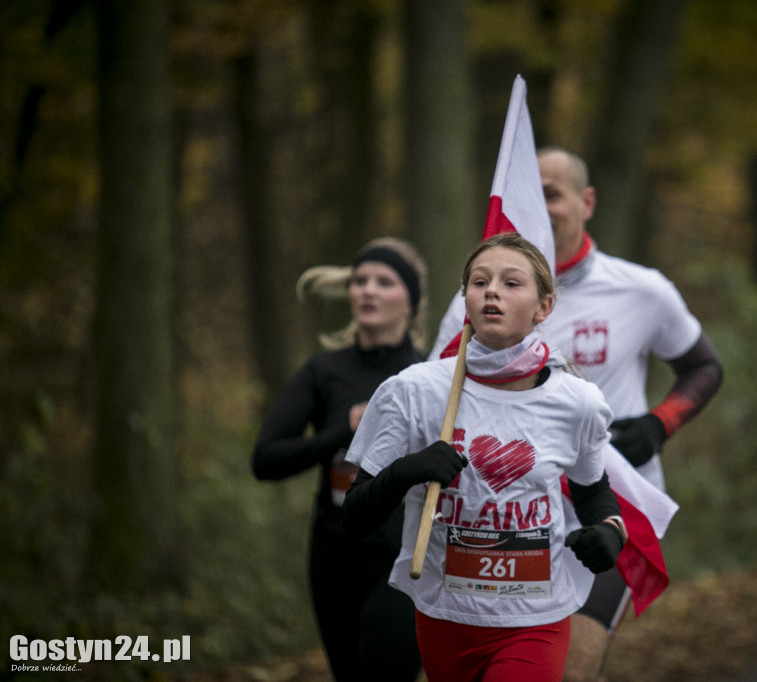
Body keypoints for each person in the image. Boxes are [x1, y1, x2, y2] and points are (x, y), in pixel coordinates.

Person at [429, 147, 724, 681]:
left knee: (572, 669)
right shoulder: (478, 298)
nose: (540, 208)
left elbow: (704, 368)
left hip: (605, 506)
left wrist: (660, 423)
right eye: (531, 193)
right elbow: (434, 395)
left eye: (553, 194)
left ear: (586, 202)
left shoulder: (641, 289)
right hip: (509, 517)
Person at [339, 233, 627, 682]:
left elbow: (595, 495)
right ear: (466, 299)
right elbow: (354, 516)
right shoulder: (414, 391)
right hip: (444, 613)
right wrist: (405, 471)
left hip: (537, 617)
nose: (492, 290)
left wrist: (610, 532)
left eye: (511, 283)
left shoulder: (578, 402)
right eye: (479, 281)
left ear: (543, 307)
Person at [251, 237, 428, 681]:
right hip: (336, 553)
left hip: (407, 556)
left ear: (411, 301)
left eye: (384, 282)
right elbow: (266, 460)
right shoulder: (323, 372)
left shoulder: (431, 376)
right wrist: (342, 433)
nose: (367, 290)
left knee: (383, 672)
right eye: (360, 280)